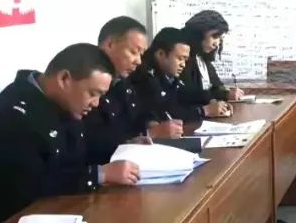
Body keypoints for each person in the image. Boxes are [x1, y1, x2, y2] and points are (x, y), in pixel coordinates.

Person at [0, 44, 140, 223]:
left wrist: (124, 145)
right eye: (92, 93)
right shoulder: (13, 117)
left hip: (61, 213)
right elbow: (33, 186)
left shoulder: (60, 102)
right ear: (64, 79)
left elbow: (82, 150)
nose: (96, 103)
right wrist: (98, 174)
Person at [83, 16, 182, 163]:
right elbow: (92, 141)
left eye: (141, 54)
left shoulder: (124, 80)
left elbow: (137, 115)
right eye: (134, 52)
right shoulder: (86, 81)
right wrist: (150, 133)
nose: (138, 61)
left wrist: (149, 123)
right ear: (109, 45)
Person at [130, 26, 202, 123]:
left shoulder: (171, 73)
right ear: (160, 54)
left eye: (185, 60)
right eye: (180, 58)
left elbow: (188, 96)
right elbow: (166, 111)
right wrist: (202, 111)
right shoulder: (144, 76)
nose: (183, 64)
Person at [179, 10, 241, 117]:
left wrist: (225, 96)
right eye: (214, 37)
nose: (217, 44)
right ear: (198, 34)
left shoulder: (203, 57)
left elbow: (214, 87)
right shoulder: (182, 60)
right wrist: (210, 105)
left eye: (220, 39)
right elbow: (188, 96)